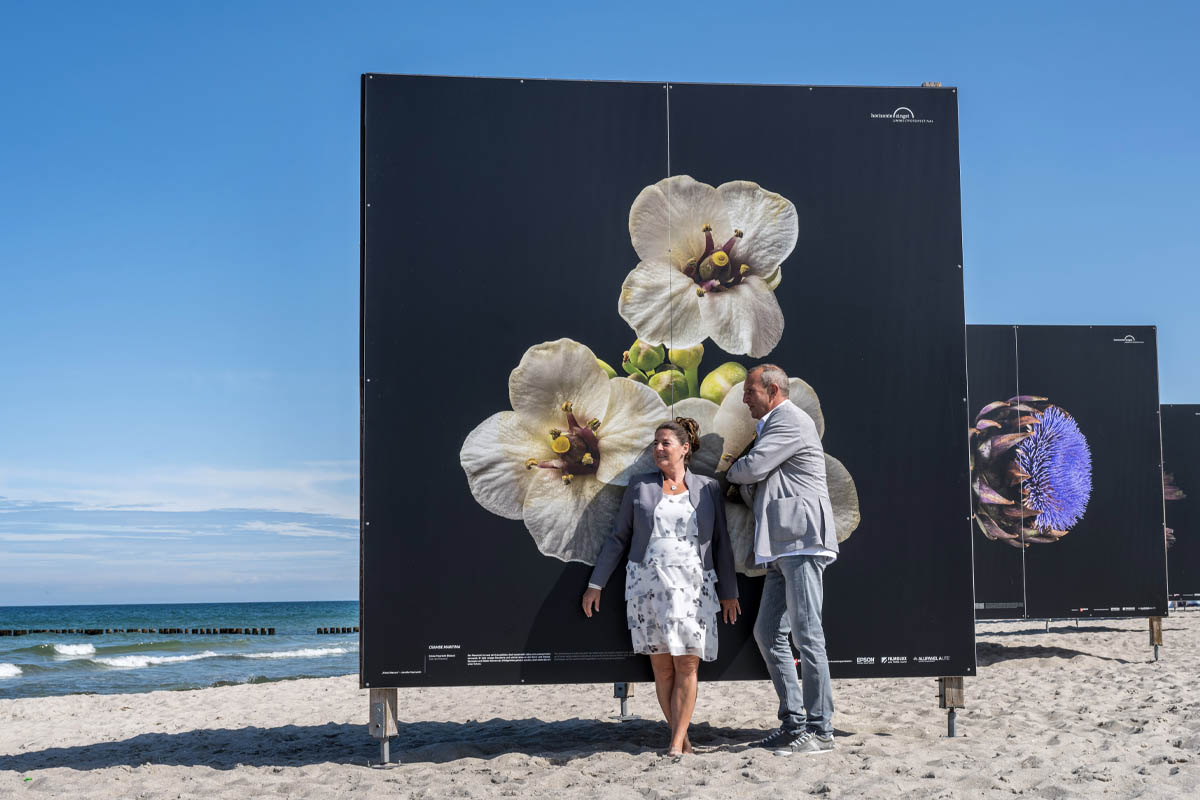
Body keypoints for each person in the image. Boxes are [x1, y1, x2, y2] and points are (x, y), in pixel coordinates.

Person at [583, 417, 741, 756]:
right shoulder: (640, 486)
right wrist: (596, 584)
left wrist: (729, 592)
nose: (658, 448)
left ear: (685, 448)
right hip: (647, 585)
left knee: (687, 663)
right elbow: (617, 538)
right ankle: (681, 739)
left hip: (694, 586)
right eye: (655, 443)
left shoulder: (708, 488)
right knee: (663, 667)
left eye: (665, 442)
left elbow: (722, 544)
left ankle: (674, 742)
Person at [724, 364, 839, 756]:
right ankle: (794, 723)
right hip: (781, 546)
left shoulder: (789, 419)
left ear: (772, 390)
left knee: (808, 635)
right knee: (767, 632)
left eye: (749, 392)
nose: (744, 399)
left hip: (802, 542)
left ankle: (822, 730)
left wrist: (731, 471)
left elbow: (752, 468)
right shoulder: (774, 423)